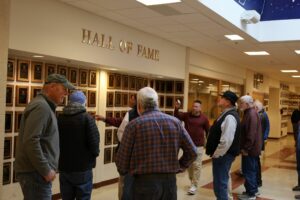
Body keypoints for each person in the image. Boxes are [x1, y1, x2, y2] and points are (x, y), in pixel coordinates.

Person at [116, 87, 197, 200]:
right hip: (169, 183)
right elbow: (193, 152)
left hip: (142, 183)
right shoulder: (175, 123)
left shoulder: (134, 126)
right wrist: (179, 166)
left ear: (139, 105)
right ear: (157, 103)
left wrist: (126, 173)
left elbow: (122, 162)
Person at [15, 74, 75, 200]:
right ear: (52, 86)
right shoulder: (42, 107)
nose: (66, 93)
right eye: (63, 88)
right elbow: (31, 140)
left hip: (36, 173)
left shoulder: (45, 106)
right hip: (36, 174)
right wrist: (46, 170)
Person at [57, 90, 100, 200]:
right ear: (83, 103)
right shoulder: (87, 118)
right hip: (83, 168)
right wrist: (94, 155)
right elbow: (94, 143)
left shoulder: (60, 118)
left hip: (64, 167)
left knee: (66, 197)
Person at [95, 94, 138, 200]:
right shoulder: (133, 114)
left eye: (131, 98)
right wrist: (104, 118)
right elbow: (120, 122)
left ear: (136, 100)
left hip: (129, 158)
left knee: (125, 186)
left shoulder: (132, 114)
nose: (129, 100)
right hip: (137, 160)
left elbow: (121, 132)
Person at [206, 90, 240, 200]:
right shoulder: (225, 114)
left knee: (221, 183)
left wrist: (217, 153)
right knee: (219, 182)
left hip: (223, 155)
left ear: (228, 102)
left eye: (222, 98)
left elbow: (226, 140)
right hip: (222, 155)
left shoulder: (230, 117)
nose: (219, 100)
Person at [174, 99, 210, 195]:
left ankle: (194, 185)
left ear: (200, 108)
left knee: (197, 165)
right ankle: (192, 182)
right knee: (189, 165)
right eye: (193, 106)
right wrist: (176, 109)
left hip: (198, 146)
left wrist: (208, 144)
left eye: (196, 106)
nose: (194, 108)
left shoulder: (204, 118)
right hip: (188, 145)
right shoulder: (187, 115)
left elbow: (208, 131)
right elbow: (177, 116)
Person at [237, 95, 262, 200]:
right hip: (252, 149)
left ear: (247, 104)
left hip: (250, 150)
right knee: (252, 170)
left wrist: (246, 148)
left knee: (249, 171)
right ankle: (252, 190)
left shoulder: (251, 114)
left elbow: (251, 134)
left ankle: (251, 194)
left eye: (241, 103)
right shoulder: (249, 113)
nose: (239, 105)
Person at [254, 100, 270, 187]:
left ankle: (258, 180)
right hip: (260, 141)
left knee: (256, 162)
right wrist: (264, 137)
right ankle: (258, 180)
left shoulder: (261, 115)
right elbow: (268, 126)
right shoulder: (264, 114)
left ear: (256, 108)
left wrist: (264, 137)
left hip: (257, 142)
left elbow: (266, 126)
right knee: (257, 161)